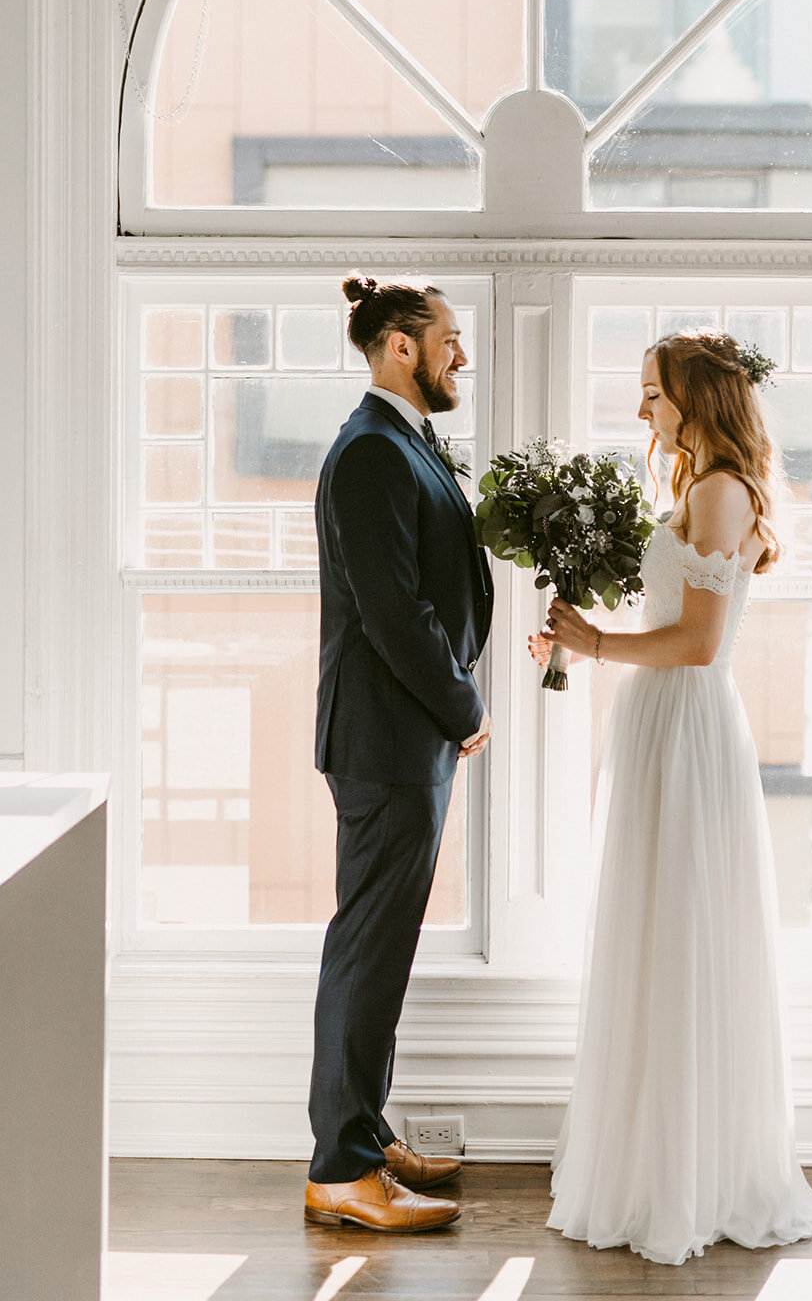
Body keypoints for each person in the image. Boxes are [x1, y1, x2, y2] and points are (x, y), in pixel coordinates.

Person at [530, 331, 812, 1265]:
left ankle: (686, 1177)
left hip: (688, 721)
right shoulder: (693, 489)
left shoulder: (717, 493)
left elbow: (702, 644)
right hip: (660, 725)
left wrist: (593, 645)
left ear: (696, 399)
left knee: (680, 933)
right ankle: (655, 1161)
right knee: (653, 930)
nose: (641, 412)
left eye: (651, 395)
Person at [305, 274, 493, 1234]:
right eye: (449, 339)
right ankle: (340, 1169)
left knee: (380, 948)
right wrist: (462, 705)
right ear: (399, 347)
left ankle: (365, 1138)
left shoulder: (403, 445)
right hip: (388, 737)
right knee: (368, 949)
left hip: (404, 734)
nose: (462, 355)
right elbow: (391, 611)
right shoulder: (371, 452)